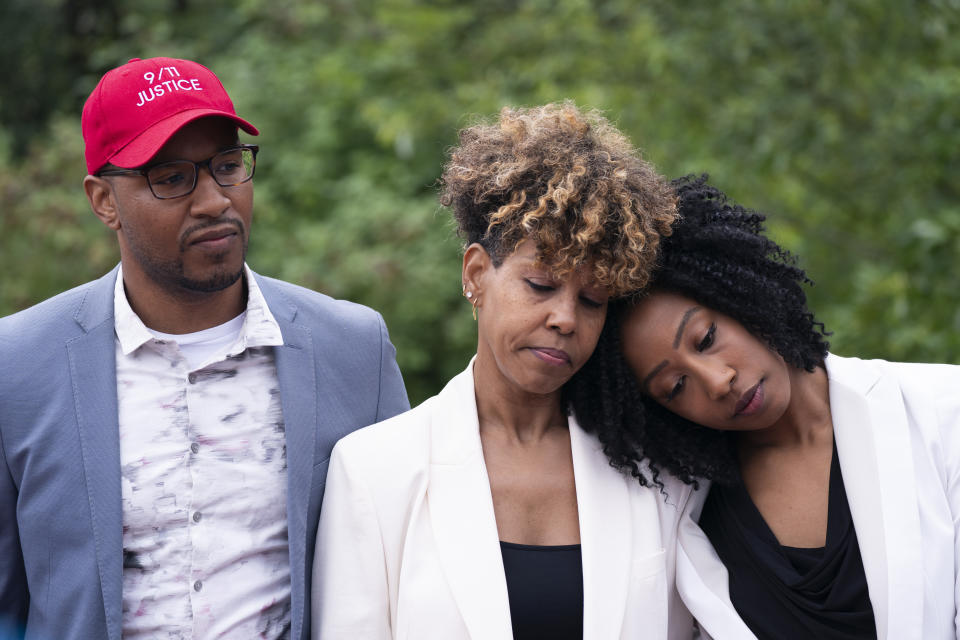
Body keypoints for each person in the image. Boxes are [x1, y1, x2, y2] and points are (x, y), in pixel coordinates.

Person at [0, 56, 409, 640]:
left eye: (227, 165)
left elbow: (404, 566)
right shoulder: (17, 366)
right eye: (171, 177)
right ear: (104, 201)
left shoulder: (352, 349)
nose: (216, 200)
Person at [311, 103, 694, 639]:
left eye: (592, 300)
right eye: (540, 285)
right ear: (476, 274)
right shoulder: (376, 470)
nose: (564, 318)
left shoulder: (654, 471)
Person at [569, 174, 960, 640]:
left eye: (707, 338)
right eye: (675, 386)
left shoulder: (942, 410)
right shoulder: (685, 512)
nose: (718, 382)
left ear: (742, 294)